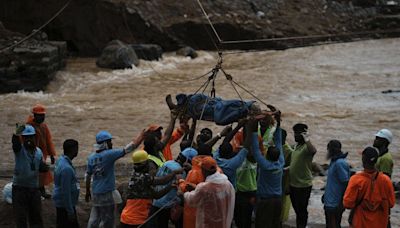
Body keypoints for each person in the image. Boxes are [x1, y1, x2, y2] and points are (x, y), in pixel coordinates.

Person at [86, 130, 144, 228]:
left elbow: (87, 176)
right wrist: (142, 136)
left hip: (96, 192)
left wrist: (87, 191)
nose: (111, 143)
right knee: (108, 220)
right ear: (104, 143)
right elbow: (129, 148)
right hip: (107, 192)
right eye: (109, 141)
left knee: (95, 218)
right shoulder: (109, 155)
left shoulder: (91, 157)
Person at [120, 150, 183, 228]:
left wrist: (170, 187)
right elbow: (162, 181)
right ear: (144, 164)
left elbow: (156, 195)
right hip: (135, 221)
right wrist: (174, 173)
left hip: (128, 218)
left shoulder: (136, 177)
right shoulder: (143, 178)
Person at [343, 147, 395, 228]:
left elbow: (347, 204)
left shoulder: (356, 179)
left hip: (360, 223)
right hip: (380, 224)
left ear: (363, 160)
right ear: (376, 161)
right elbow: (391, 203)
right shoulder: (386, 180)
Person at [250, 113, 284, 228]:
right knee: (275, 224)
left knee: (262, 224)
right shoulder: (280, 163)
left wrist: (254, 128)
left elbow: (255, 149)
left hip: (266, 201)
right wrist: (278, 122)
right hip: (278, 200)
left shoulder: (265, 165)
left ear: (267, 155)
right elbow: (279, 142)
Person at [11, 124, 48, 228]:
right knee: (21, 219)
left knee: (36, 219)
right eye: (26, 137)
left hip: (34, 189)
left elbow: (41, 166)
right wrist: (16, 134)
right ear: (22, 138)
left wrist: (44, 167)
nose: (28, 139)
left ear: (35, 137)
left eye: (31, 137)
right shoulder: (19, 150)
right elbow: (15, 144)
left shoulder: (39, 152)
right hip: (19, 189)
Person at [183, 156, 235, 228]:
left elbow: (192, 200)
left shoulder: (204, 188)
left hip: (207, 223)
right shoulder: (227, 184)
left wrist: (182, 192)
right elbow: (214, 194)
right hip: (222, 222)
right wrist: (196, 188)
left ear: (204, 170)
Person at [148, 149, 195, 228]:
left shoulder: (167, 162)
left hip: (157, 200)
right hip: (168, 204)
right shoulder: (181, 171)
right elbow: (181, 189)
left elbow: (158, 177)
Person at [289, 123, 317, 228]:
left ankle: (302, 226)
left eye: (297, 133)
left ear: (303, 134)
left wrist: (307, 138)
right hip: (293, 184)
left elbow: (313, 151)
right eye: (294, 133)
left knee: (302, 211)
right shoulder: (296, 147)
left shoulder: (306, 147)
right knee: (297, 210)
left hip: (303, 185)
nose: (295, 136)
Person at [26, 103, 56, 198]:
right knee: (32, 173)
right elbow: (19, 137)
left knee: (42, 173)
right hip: (30, 154)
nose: (42, 118)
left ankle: (41, 190)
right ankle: (36, 191)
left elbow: (48, 140)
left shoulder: (44, 126)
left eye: (43, 115)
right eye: (40, 116)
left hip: (42, 154)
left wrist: (51, 154)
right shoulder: (28, 126)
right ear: (34, 116)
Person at [53, 139, 80, 228]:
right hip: (65, 206)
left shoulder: (61, 161)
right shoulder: (66, 168)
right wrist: (70, 211)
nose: (77, 151)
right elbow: (66, 191)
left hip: (63, 203)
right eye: (76, 148)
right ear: (72, 150)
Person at [323, 140, 350, 228]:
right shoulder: (334, 162)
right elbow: (332, 182)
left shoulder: (339, 163)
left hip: (335, 204)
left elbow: (346, 183)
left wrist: (341, 203)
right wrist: (325, 195)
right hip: (329, 202)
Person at [214, 119, 249, 187]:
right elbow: (246, 145)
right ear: (231, 153)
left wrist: (238, 127)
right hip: (230, 191)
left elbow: (226, 141)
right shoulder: (231, 164)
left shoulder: (215, 158)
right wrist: (245, 126)